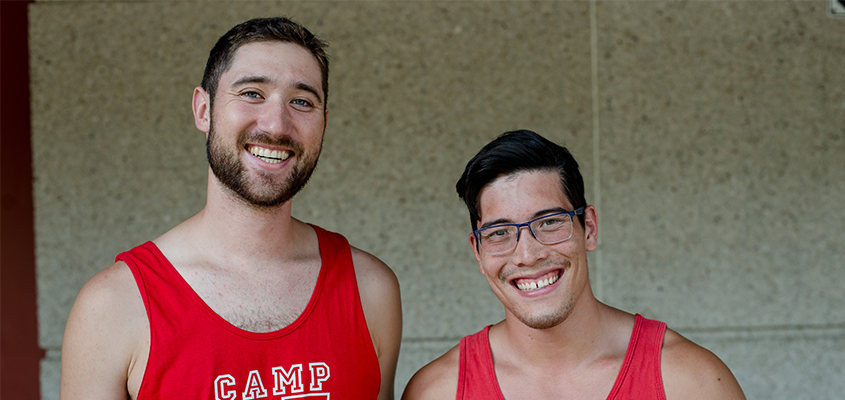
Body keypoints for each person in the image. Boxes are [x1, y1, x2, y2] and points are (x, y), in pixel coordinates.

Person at [61, 17, 402, 400]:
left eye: (301, 101)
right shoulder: (114, 305)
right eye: (252, 93)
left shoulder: (370, 290)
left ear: (323, 124)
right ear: (203, 110)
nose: (276, 125)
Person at [402, 130, 744, 400]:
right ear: (478, 252)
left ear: (589, 229)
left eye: (550, 222)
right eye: (500, 232)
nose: (527, 254)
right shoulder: (438, 391)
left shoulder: (689, 382)